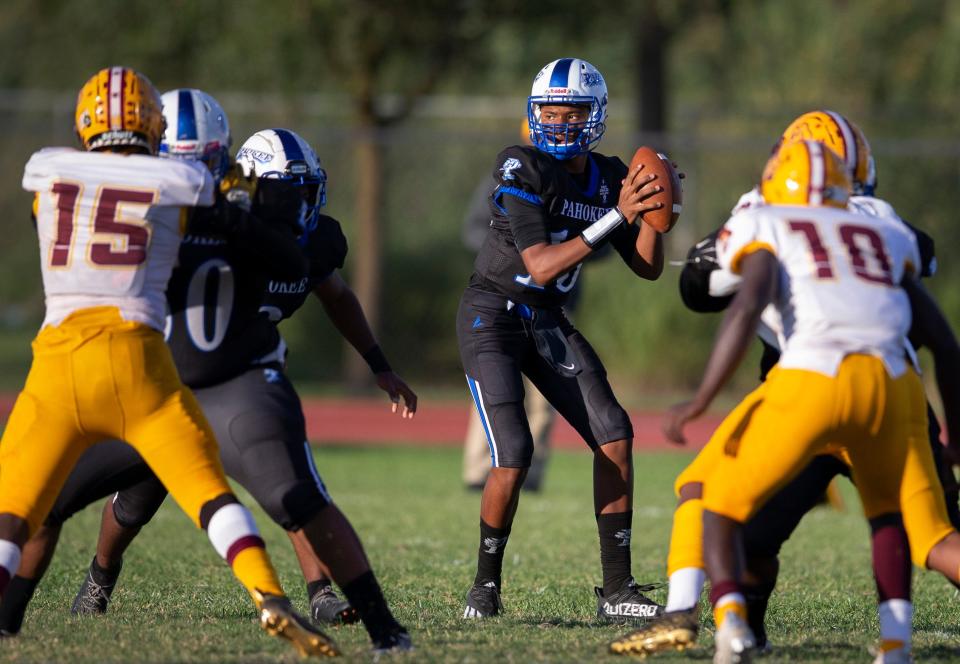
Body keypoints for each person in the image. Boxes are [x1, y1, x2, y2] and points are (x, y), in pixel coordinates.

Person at [0, 118, 416, 653]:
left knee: (294, 491)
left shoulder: (305, 239)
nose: (298, 204)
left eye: (305, 192)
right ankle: (94, 580)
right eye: (286, 193)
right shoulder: (184, 223)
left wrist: (378, 363)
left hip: (237, 379)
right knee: (122, 502)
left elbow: (331, 290)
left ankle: (330, 599)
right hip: (160, 384)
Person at [610, 111, 960, 662]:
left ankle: (720, 625)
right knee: (924, 532)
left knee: (713, 500)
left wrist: (699, 400)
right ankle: (895, 647)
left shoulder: (762, 214)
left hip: (805, 386)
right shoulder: (884, 224)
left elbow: (710, 291)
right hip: (896, 388)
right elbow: (937, 320)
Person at [457, 57, 672, 622]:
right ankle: (484, 586)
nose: (557, 122)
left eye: (570, 111)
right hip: (494, 318)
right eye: (548, 112)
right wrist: (618, 215)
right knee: (515, 451)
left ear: (596, 114)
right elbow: (543, 264)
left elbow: (647, 268)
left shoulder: (608, 176)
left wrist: (655, 212)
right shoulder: (519, 164)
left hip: (545, 320)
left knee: (615, 433)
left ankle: (619, 590)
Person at [462, 119, 555, 492]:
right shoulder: (511, 174)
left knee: (544, 395)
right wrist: (512, 246)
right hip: (502, 301)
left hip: (551, 305)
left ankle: (530, 473)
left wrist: (568, 250)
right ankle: (477, 470)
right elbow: (471, 228)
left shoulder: (575, 184)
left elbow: (591, 241)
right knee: (493, 384)